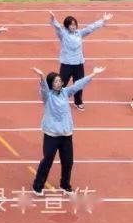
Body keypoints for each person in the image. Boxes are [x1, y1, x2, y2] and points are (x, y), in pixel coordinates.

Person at [31, 65, 105, 194]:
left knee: (68, 162)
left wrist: (93, 74)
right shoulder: (47, 96)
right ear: (51, 84)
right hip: (51, 135)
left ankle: (65, 185)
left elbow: (78, 84)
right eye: (55, 82)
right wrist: (42, 76)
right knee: (47, 160)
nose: (59, 83)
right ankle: (38, 185)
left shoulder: (65, 92)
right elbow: (43, 88)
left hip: (66, 134)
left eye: (60, 81)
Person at [49, 10, 112, 110]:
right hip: (66, 64)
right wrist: (53, 19)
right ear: (66, 26)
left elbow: (91, 28)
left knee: (79, 83)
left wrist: (103, 20)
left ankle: (78, 101)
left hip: (78, 64)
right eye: (71, 25)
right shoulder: (63, 34)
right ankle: (56, 99)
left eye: (75, 24)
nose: (73, 26)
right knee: (62, 83)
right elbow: (57, 28)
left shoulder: (79, 33)